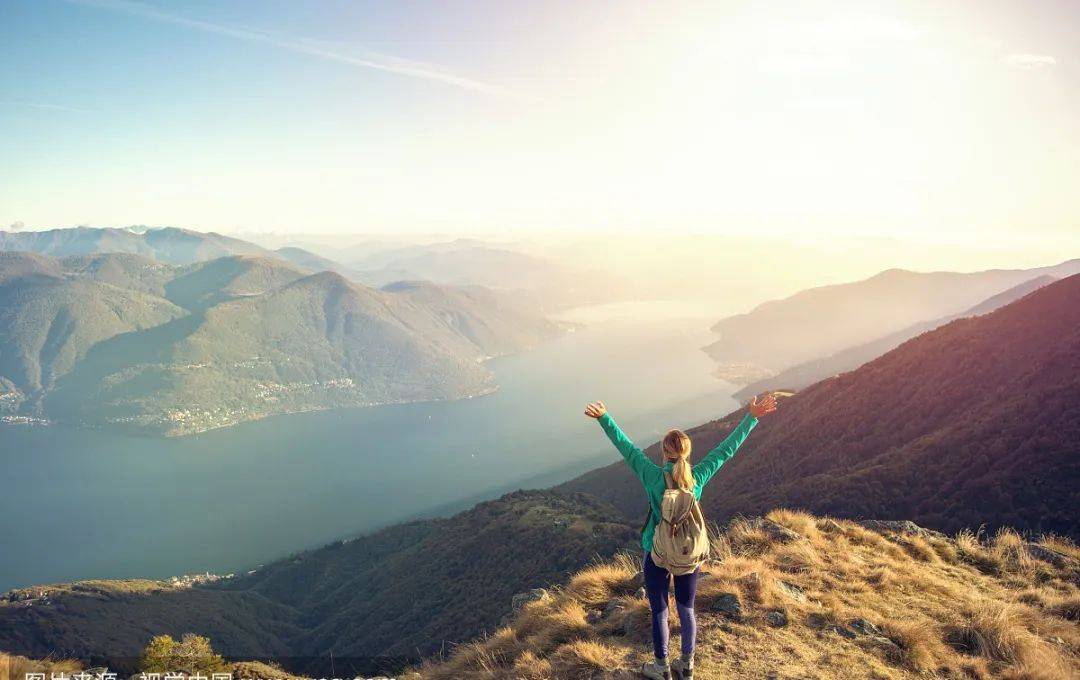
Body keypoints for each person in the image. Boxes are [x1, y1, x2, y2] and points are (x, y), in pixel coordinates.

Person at [584, 394, 777, 680]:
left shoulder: (651, 475)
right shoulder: (696, 478)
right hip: (689, 552)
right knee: (686, 609)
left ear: (664, 452)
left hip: (657, 551)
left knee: (660, 610)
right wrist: (751, 417)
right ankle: (686, 665)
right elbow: (726, 451)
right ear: (687, 453)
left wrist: (604, 418)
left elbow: (626, 448)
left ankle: (661, 667)